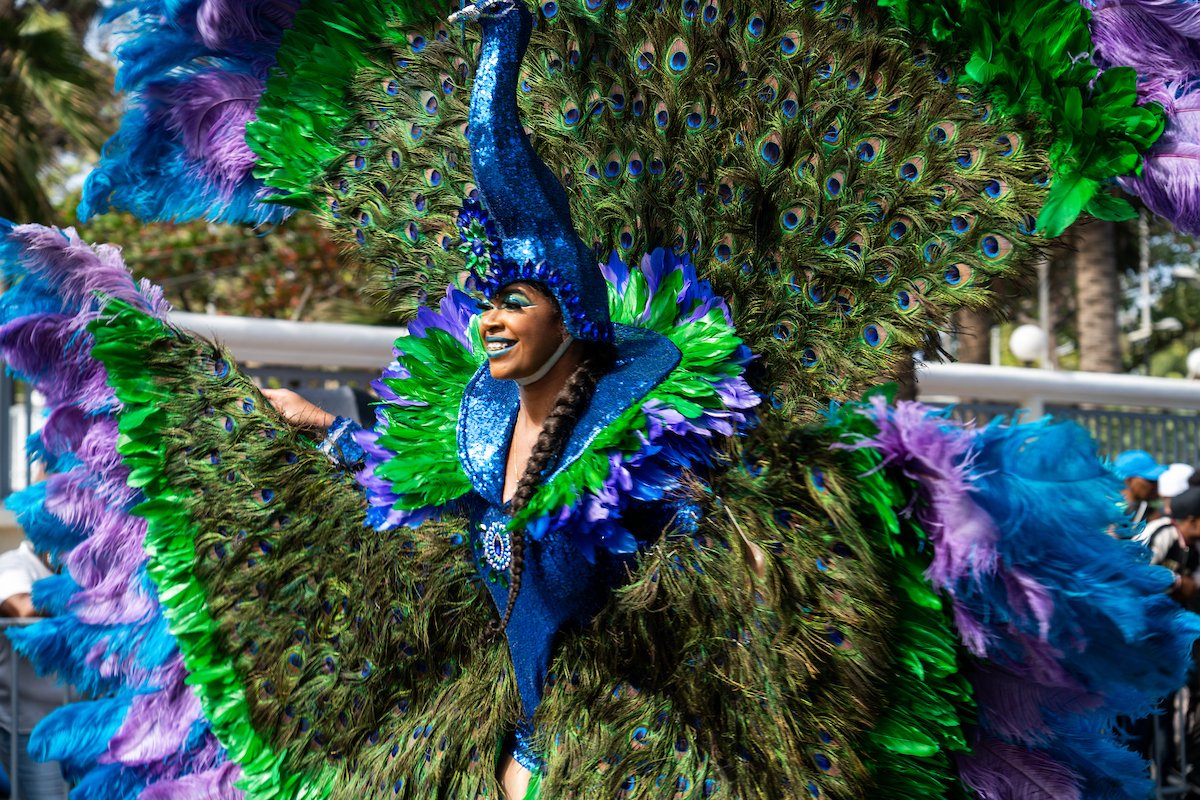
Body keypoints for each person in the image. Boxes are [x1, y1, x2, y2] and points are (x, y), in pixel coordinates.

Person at [0, 540, 66, 799]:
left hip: (78, 720)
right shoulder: (13, 564)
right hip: (31, 728)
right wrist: (88, 601)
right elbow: (23, 609)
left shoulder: (77, 570)